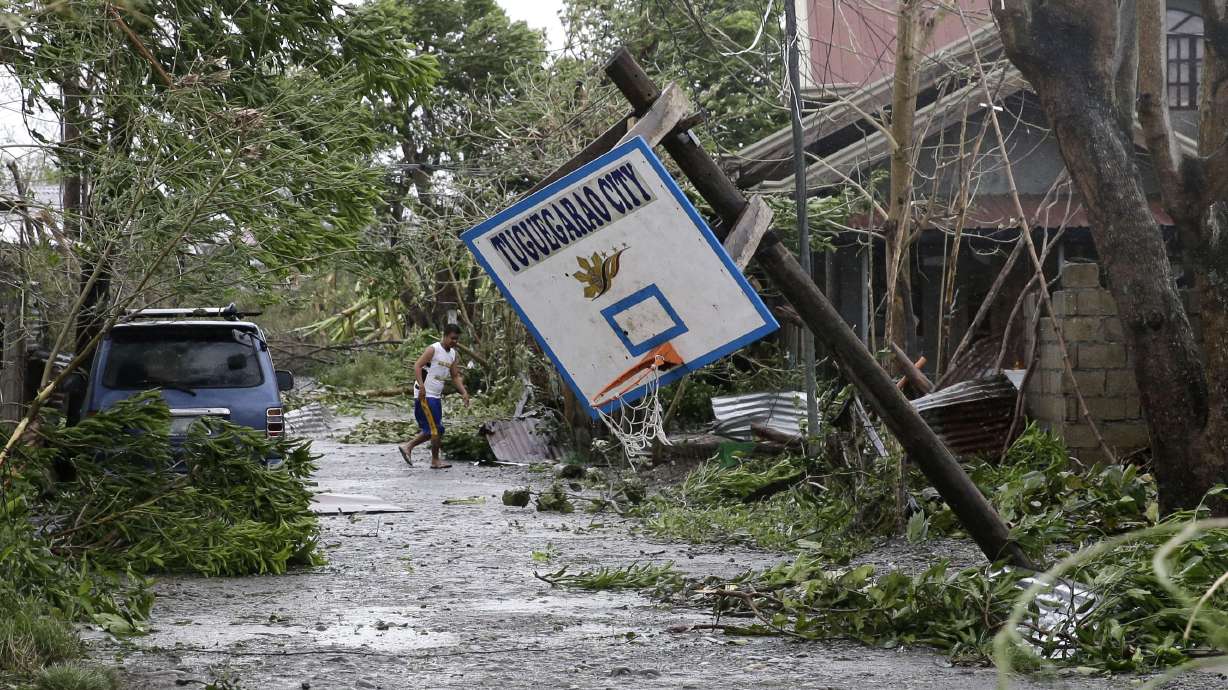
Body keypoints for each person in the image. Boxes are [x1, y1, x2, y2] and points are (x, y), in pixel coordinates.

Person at [398, 324, 470, 469]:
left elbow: (455, 376)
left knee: (436, 429)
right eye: (452, 338)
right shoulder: (433, 349)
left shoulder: (453, 355)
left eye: (456, 339)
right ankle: (435, 461)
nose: (454, 341)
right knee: (435, 429)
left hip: (436, 396)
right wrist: (421, 386)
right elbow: (417, 366)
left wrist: (464, 392)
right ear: (444, 336)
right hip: (424, 394)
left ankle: (408, 447)